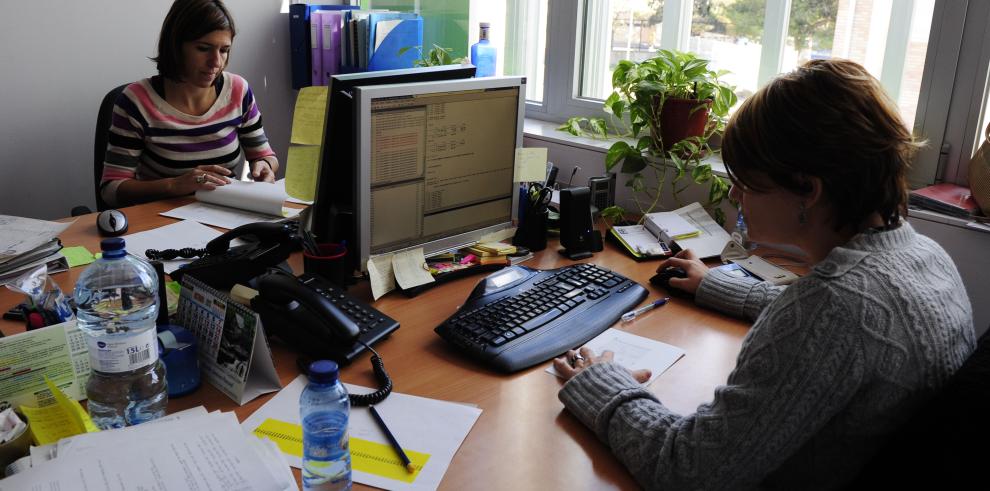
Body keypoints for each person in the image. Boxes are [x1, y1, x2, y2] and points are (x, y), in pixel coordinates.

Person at [553, 59, 975, 490]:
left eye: (747, 181)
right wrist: (715, 284)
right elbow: (844, 327)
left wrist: (601, 385)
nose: (735, 194)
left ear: (807, 190)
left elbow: (687, 471)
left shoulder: (830, 308)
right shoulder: (924, 255)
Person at [100, 0, 278, 208]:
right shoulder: (136, 101)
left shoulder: (238, 91)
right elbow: (112, 189)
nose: (216, 62)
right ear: (176, 46)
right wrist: (175, 185)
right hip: (159, 222)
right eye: (204, 49)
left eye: (224, 50)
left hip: (225, 215)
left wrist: (264, 166)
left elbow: (265, 155)